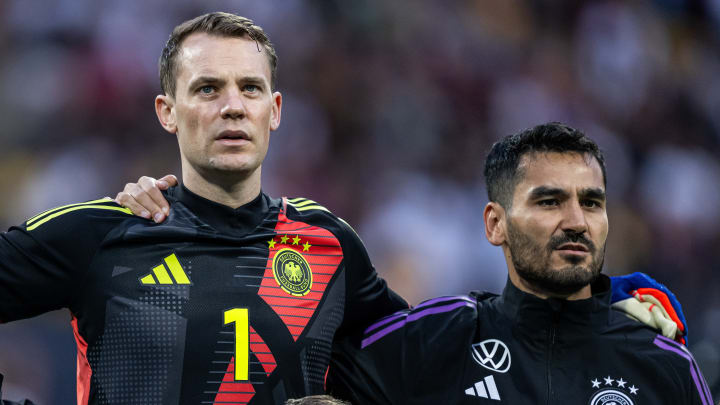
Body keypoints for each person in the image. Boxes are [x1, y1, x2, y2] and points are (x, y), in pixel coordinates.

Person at [0, 12, 407, 404]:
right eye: (207, 89)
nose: (234, 106)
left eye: (250, 88)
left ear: (275, 110)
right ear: (168, 112)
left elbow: (412, 367)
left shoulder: (328, 244)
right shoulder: (101, 234)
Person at [323, 123, 713, 404]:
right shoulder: (436, 340)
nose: (577, 221)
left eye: (591, 202)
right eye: (550, 201)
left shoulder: (664, 366)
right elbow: (292, 362)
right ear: (496, 224)